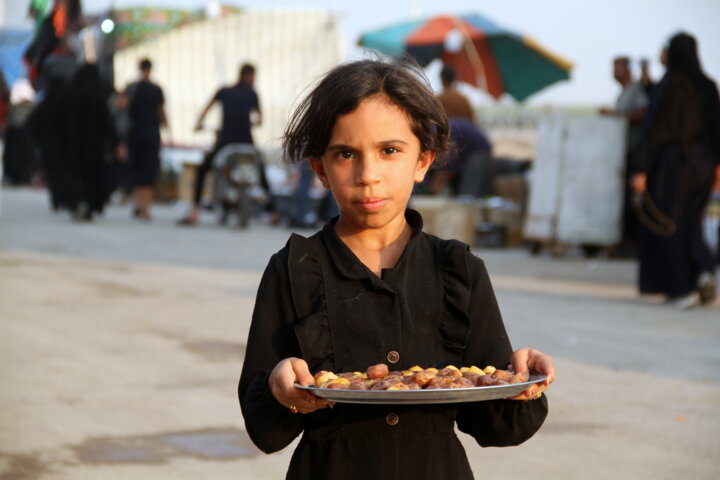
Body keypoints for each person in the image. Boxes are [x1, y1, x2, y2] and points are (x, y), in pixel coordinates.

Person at [238, 59, 555, 480]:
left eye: (389, 151)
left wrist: (520, 382)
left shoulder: (459, 271)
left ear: (423, 161)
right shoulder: (293, 269)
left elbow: (495, 425)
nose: (368, 175)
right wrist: (280, 387)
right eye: (346, 154)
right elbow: (266, 431)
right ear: (319, 169)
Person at [631, 32, 720, 309]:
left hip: (673, 167)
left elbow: (656, 129)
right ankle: (702, 271)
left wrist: (641, 168)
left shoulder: (672, 84)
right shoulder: (707, 85)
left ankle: (682, 287)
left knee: (669, 225)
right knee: (691, 222)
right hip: (702, 165)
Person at [177, 63, 263, 225]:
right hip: (247, 143)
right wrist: (253, 123)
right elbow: (260, 119)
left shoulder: (225, 91)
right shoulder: (252, 94)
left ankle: (195, 210)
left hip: (226, 142)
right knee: (261, 169)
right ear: (249, 76)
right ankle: (273, 211)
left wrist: (199, 123)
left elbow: (206, 109)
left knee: (203, 170)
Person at [600, 56, 650, 256]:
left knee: (634, 199)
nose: (614, 72)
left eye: (617, 68)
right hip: (624, 153)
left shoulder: (636, 90)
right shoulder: (623, 94)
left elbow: (643, 112)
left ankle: (634, 243)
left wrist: (614, 116)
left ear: (627, 70)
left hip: (636, 153)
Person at [126, 58, 168, 221]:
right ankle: (145, 208)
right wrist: (168, 129)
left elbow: (122, 107)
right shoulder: (156, 89)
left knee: (137, 169)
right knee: (148, 171)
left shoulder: (132, 88)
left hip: (134, 133)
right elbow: (161, 111)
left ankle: (138, 204)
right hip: (151, 134)